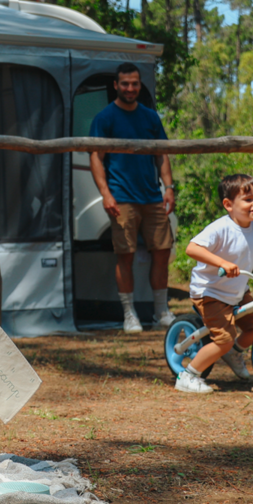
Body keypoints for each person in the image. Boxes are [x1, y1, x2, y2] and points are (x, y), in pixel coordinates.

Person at [176, 173, 253, 394]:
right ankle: (188, 375)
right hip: (210, 292)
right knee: (223, 339)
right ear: (228, 204)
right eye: (249, 199)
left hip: (237, 290)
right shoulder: (220, 228)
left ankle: (234, 352)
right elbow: (192, 248)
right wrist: (222, 262)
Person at [88, 63, 176, 333]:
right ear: (116, 85)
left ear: (140, 86)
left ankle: (161, 312)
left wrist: (169, 187)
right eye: (125, 83)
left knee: (162, 252)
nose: (130, 88)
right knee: (124, 255)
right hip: (121, 198)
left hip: (152, 197)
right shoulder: (105, 118)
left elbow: (161, 154)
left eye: (135, 84)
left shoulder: (150, 117)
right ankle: (130, 315)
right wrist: (105, 195)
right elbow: (95, 157)